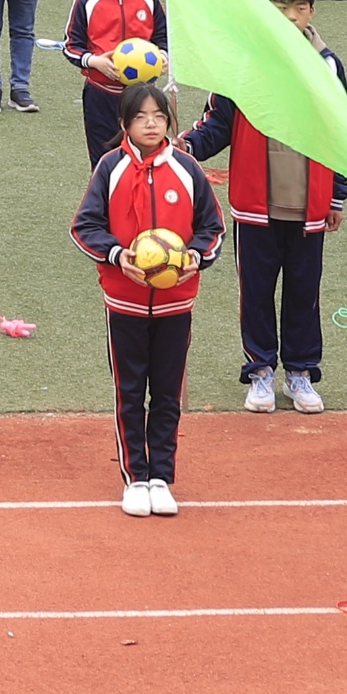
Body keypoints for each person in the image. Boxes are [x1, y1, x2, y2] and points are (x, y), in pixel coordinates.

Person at [184, 0, 347, 413]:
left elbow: (342, 133)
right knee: (255, 291)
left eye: (299, 9)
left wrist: (336, 195)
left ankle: (300, 372)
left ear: (311, 11)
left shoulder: (327, 65)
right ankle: (259, 370)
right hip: (256, 202)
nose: (290, 17)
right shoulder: (243, 62)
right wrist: (186, 147)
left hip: (310, 202)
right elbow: (219, 123)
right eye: (279, 10)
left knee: (303, 290)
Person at [74, 82, 227, 515]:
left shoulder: (188, 168)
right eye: (140, 117)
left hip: (177, 302)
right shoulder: (110, 167)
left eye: (158, 117)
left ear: (169, 122)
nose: (150, 124)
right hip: (123, 301)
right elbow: (85, 227)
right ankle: (134, 477)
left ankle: (161, 476)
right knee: (129, 389)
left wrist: (197, 255)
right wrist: (118, 255)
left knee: (166, 393)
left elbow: (211, 228)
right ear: (124, 123)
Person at [59, 0, 169, 166]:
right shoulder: (86, 1)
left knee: (147, 158)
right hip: (101, 93)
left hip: (144, 94)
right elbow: (71, 46)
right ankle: (107, 202)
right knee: (104, 160)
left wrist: (162, 56)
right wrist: (94, 61)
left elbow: (164, 38)